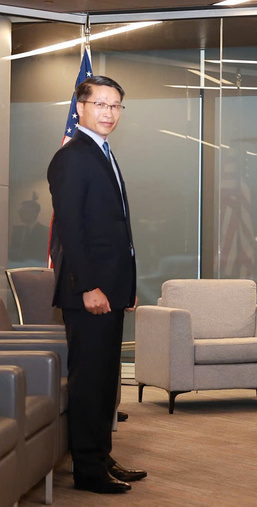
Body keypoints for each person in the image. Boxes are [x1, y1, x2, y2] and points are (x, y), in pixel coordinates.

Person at [48, 76, 144, 494]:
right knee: (89, 382)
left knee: (106, 380)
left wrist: (128, 283)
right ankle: (87, 470)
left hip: (111, 289)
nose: (109, 113)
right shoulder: (72, 157)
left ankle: (101, 456)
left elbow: (116, 230)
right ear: (80, 107)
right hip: (88, 292)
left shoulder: (102, 153)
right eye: (101, 104)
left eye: (116, 106)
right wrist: (89, 286)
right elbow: (71, 229)